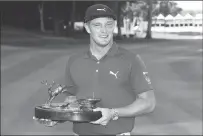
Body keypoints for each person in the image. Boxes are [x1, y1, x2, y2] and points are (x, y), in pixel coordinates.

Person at [34, 4, 156, 135]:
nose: (104, 30)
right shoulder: (74, 61)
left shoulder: (131, 60)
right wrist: (58, 117)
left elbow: (149, 102)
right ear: (87, 27)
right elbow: (71, 100)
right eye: (97, 25)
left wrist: (113, 112)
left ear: (114, 25)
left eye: (108, 24)